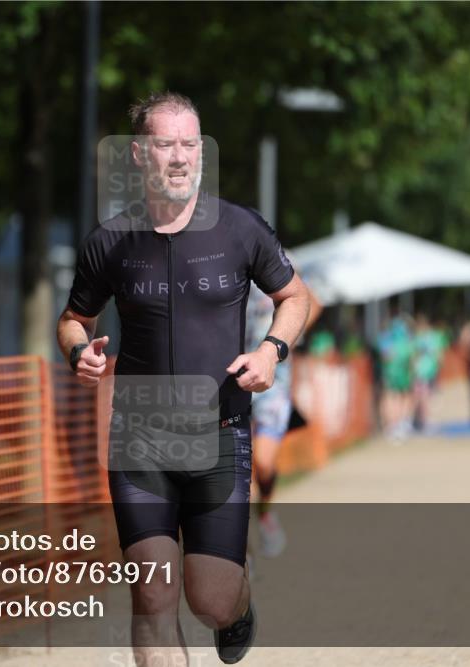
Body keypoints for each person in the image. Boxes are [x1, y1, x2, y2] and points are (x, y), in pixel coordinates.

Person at [56, 92, 310, 665]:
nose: (179, 157)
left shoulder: (241, 230)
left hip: (219, 433)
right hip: (139, 438)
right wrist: (80, 353)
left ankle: (237, 606)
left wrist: (272, 350)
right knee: (151, 594)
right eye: (165, 144)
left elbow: (295, 298)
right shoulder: (110, 242)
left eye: (189, 144)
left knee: (211, 601)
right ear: (140, 156)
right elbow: (74, 320)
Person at [244, 283, 322, 559]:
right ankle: (241, 554)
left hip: (273, 379)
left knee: (263, 464)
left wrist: (284, 341)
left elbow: (311, 302)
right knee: (233, 473)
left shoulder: (279, 257)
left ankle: (265, 514)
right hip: (230, 371)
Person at [377, 316, 415, 441]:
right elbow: (411, 360)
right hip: (402, 375)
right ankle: (400, 423)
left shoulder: (386, 340)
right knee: (401, 398)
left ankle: (391, 425)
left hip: (389, 374)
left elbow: (384, 357)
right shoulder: (406, 342)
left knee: (390, 398)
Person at [411, 314, 447, 431]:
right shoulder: (433, 337)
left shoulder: (418, 337)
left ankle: (421, 420)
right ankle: (423, 421)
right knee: (424, 397)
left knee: (422, 396)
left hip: (423, 372)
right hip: (425, 372)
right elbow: (439, 356)